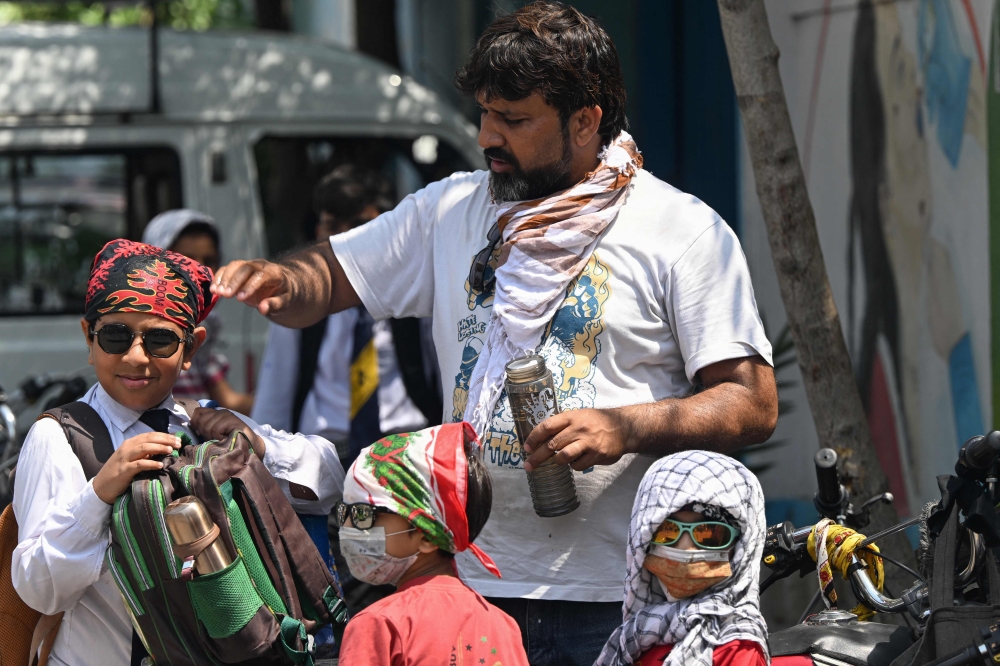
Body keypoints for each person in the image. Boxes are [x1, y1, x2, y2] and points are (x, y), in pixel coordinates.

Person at [211, 3, 778, 663]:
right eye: (484, 112)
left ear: (586, 120)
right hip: (471, 593)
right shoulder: (451, 210)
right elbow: (330, 275)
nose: (486, 136)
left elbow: (751, 401)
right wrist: (281, 281)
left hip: (620, 600)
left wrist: (629, 426)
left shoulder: (680, 231)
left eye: (512, 119)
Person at [11, 239, 344, 666]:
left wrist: (258, 446)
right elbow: (38, 588)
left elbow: (331, 479)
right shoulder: (58, 438)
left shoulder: (203, 425)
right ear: (88, 338)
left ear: (192, 349)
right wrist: (99, 495)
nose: (136, 357)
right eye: (115, 335)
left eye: (160, 340)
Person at [251, 165, 438, 466]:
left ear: (389, 228)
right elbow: (275, 395)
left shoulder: (415, 298)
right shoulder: (300, 307)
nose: (346, 240)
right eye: (332, 226)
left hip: (404, 456)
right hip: (324, 458)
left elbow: (444, 378)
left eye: (361, 225)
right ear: (318, 232)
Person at [335, 422, 528, 666]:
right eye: (345, 512)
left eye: (364, 514)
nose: (348, 527)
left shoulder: (380, 625)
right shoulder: (502, 626)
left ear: (427, 535)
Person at [594, 450, 768, 666]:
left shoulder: (737, 648)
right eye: (668, 531)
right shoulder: (633, 636)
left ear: (742, 546)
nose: (685, 549)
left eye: (710, 534)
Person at [142, 209, 254, 414]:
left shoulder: (204, 328)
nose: (200, 271)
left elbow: (227, 400)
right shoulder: (143, 324)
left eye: (208, 260)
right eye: (186, 260)